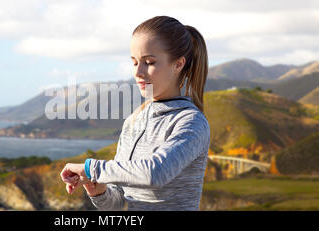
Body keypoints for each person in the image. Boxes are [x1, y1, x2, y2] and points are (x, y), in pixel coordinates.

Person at [60, 15, 210, 211]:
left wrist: (92, 169)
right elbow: (116, 204)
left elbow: (155, 172)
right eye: (134, 62)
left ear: (178, 64)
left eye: (149, 62)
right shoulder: (134, 121)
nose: (138, 72)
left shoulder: (191, 121)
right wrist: (97, 189)